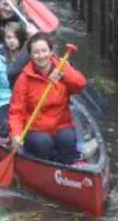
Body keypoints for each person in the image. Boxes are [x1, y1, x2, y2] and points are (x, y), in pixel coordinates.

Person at [8, 33, 87, 164]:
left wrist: (63, 76)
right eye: (36, 52)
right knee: (43, 143)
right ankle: (47, 167)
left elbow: (80, 84)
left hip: (61, 125)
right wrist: (16, 134)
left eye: (44, 51)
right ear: (31, 56)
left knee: (67, 140)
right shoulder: (24, 79)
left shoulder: (62, 67)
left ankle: (66, 168)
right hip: (35, 128)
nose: (41, 56)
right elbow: (16, 112)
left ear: (51, 52)